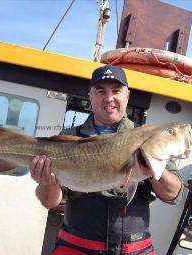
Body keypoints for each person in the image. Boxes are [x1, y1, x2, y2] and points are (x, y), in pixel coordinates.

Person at [30, 65, 183, 255]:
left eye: (116, 91)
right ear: (91, 96)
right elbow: (50, 202)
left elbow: (173, 194)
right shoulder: (69, 138)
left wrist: (153, 168)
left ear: (127, 96)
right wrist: (46, 183)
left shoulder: (146, 137)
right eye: (101, 91)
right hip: (77, 247)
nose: (109, 98)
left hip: (134, 249)